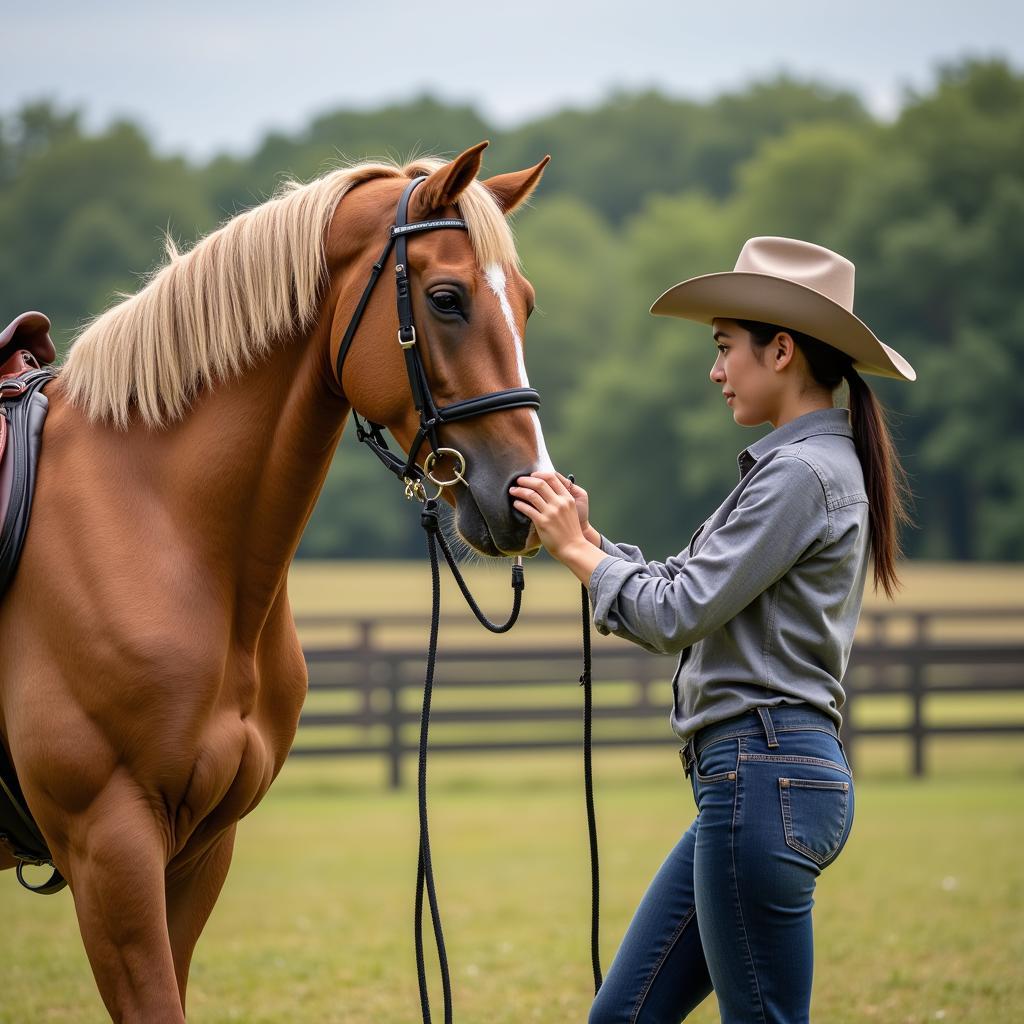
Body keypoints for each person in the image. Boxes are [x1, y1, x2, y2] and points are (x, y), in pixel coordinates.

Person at [509, 236, 915, 1024]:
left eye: (726, 348)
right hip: (758, 783)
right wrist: (589, 546)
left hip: (761, 780)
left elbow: (674, 613)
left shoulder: (800, 475)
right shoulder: (803, 469)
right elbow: (688, 589)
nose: (716, 369)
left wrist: (572, 555)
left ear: (784, 350)